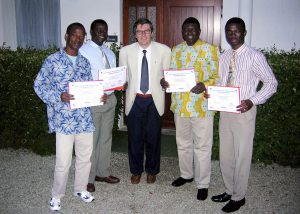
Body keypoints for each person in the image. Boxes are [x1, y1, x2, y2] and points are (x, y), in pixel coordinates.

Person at [33, 23, 103, 211]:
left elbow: (89, 88)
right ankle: (56, 196)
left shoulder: (84, 62)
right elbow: (39, 86)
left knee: (84, 158)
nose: (78, 39)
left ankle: (80, 189)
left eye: (82, 36)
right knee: (63, 161)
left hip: (84, 119)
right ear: (67, 35)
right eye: (75, 35)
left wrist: (99, 96)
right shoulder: (52, 60)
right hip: (64, 120)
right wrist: (58, 96)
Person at [210, 17, 278, 213]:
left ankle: (239, 197)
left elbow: (271, 83)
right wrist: (213, 93)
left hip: (244, 112)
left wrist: (252, 101)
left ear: (244, 32)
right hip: (226, 111)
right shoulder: (224, 56)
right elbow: (223, 82)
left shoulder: (255, 56)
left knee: (242, 156)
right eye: (229, 32)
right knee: (226, 155)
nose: (233, 35)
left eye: (236, 31)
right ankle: (229, 190)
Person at [160, 17, 219, 201]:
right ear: (182, 31)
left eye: (192, 29)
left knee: (202, 146)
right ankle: (186, 175)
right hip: (180, 107)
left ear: (199, 30)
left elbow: (218, 76)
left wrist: (205, 84)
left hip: (201, 107)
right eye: (185, 30)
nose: (189, 33)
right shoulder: (176, 50)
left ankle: (203, 184)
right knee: (183, 144)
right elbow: (170, 73)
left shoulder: (210, 49)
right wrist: (165, 82)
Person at [119, 18, 171, 184]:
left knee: (154, 137)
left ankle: (152, 170)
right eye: (140, 31)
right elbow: (123, 76)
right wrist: (121, 83)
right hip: (135, 100)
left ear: (151, 32)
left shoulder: (164, 50)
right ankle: (135, 170)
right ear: (135, 34)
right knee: (134, 137)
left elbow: (167, 75)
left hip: (153, 100)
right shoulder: (125, 51)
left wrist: (166, 82)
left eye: (146, 31)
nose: (143, 34)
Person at [80, 19, 120, 193]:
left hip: (110, 100)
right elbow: (81, 79)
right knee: (92, 141)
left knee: (106, 138)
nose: (102, 33)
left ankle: (102, 172)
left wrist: (121, 83)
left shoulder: (109, 53)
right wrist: (95, 94)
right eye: (98, 30)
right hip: (93, 102)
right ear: (91, 31)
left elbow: (113, 77)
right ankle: (88, 178)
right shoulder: (83, 51)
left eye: (104, 30)